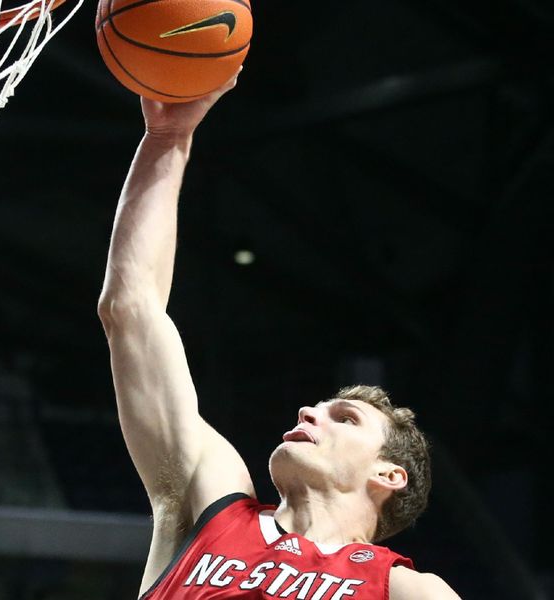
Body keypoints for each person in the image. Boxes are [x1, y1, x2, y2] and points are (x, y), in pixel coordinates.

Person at [97, 73, 461, 599]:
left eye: (345, 418)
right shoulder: (211, 504)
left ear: (389, 475)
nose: (308, 413)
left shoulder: (408, 589)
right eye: (318, 407)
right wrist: (168, 138)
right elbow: (131, 310)